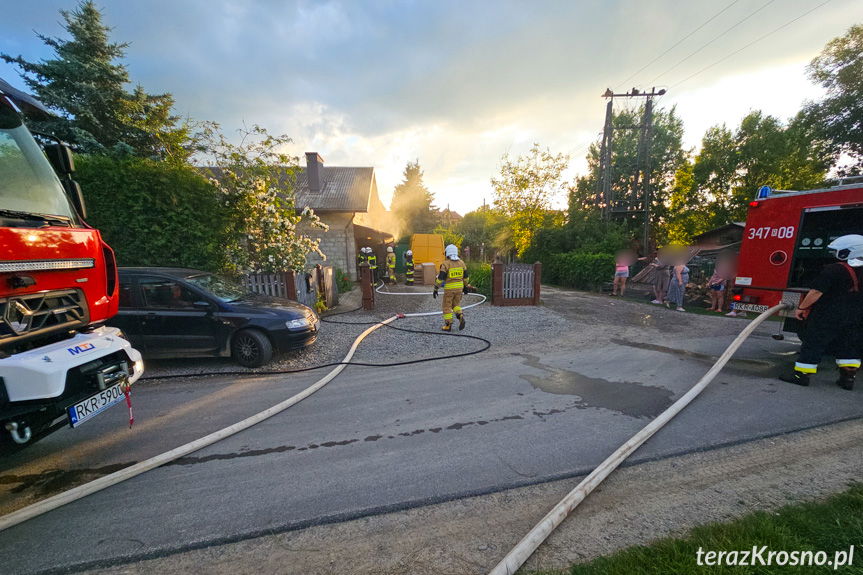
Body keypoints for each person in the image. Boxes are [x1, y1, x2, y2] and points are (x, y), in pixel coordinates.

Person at [779, 234, 863, 390]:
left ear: (847, 252)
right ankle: (848, 379)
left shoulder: (833, 270)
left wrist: (802, 308)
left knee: (814, 343)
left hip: (828, 316)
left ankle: (801, 376)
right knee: (850, 346)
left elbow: (816, 292)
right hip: (854, 317)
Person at [433, 244, 470, 331]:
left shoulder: (446, 264)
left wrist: (436, 288)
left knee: (447, 306)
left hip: (449, 289)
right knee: (456, 305)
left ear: (448, 253)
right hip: (459, 289)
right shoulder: (462, 263)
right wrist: (465, 286)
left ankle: (448, 325)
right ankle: (460, 315)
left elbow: (440, 278)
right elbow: (466, 277)